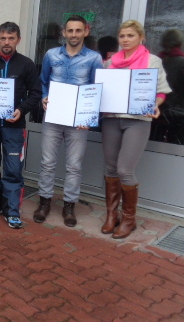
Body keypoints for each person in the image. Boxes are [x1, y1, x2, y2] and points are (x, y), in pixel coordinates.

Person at [100, 20, 171, 239]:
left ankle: (129, 219)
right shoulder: (110, 62)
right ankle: (112, 216)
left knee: (125, 170)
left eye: (130, 35)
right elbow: (103, 89)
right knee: (111, 167)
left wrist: (155, 105)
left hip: (137, 120)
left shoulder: (152, 61)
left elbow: (161, 91)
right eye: (122, 36)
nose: (125, 40)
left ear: (141, 38)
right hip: (111, 119)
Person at [35, 14, 103, 227]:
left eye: (78, 30)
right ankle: (44, 202)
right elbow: (43, 81)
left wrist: (90, 117)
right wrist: (44, 97)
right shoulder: (51, 54)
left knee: (74, 165)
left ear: (86, 31)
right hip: (53, 117)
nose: (74, 34)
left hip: (78, 121)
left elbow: (98, 90)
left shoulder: (94, 58)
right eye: (70, 30)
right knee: (47, 162)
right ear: (64, 32)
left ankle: (69, 206)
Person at [0, 22, 42, 228]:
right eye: (3, 38)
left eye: (11, 38)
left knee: (13, 169)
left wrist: (21, 109)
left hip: (15, 127)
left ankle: (12, 211)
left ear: (18, 40)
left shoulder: (26, 64)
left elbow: (36, 93)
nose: (7, 42)